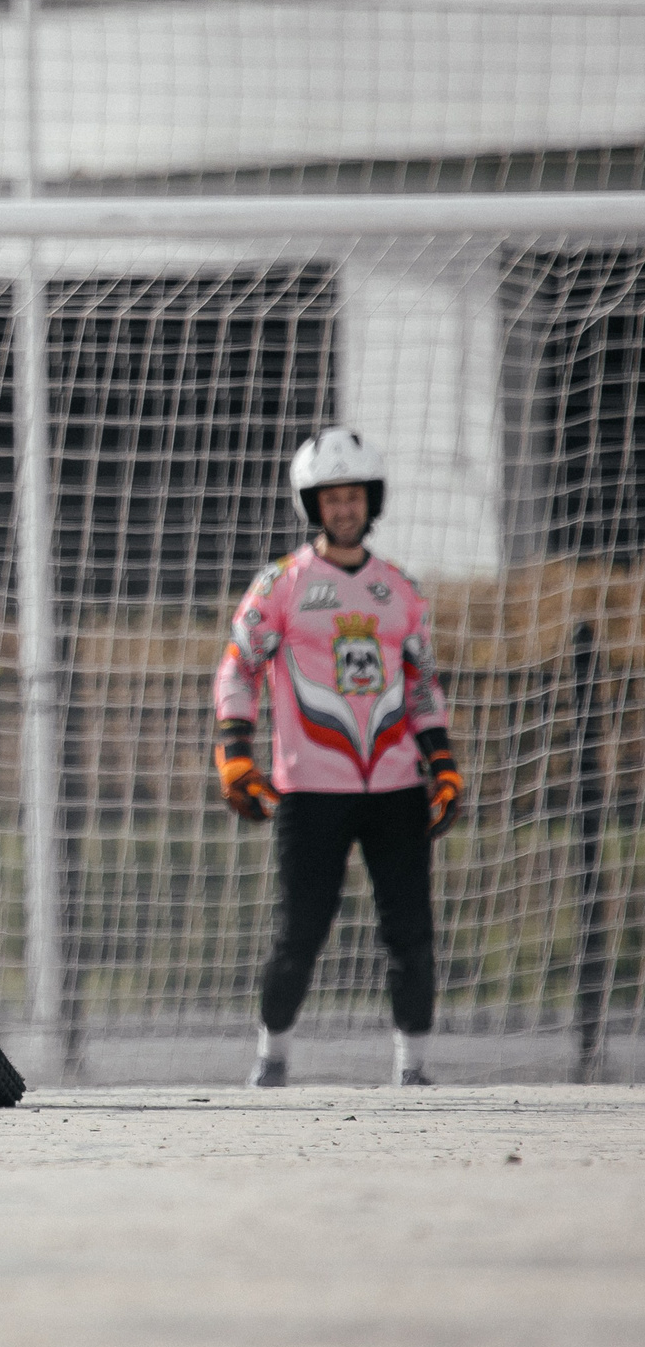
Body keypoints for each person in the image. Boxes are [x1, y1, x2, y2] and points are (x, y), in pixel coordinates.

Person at [212, 427, 464, 1088]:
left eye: (354, 496)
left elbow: (422, 684)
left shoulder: (400, 588)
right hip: (309, 788)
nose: (344, 508)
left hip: (396, 787)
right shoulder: (280, 584)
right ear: (312, 505)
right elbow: (238, 668)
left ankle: (413, 1068)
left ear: (371, 500)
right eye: (331, 497)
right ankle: (271, 1059)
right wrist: (235, 755)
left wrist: (443, 765)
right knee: (300, 932)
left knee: (411, 931)